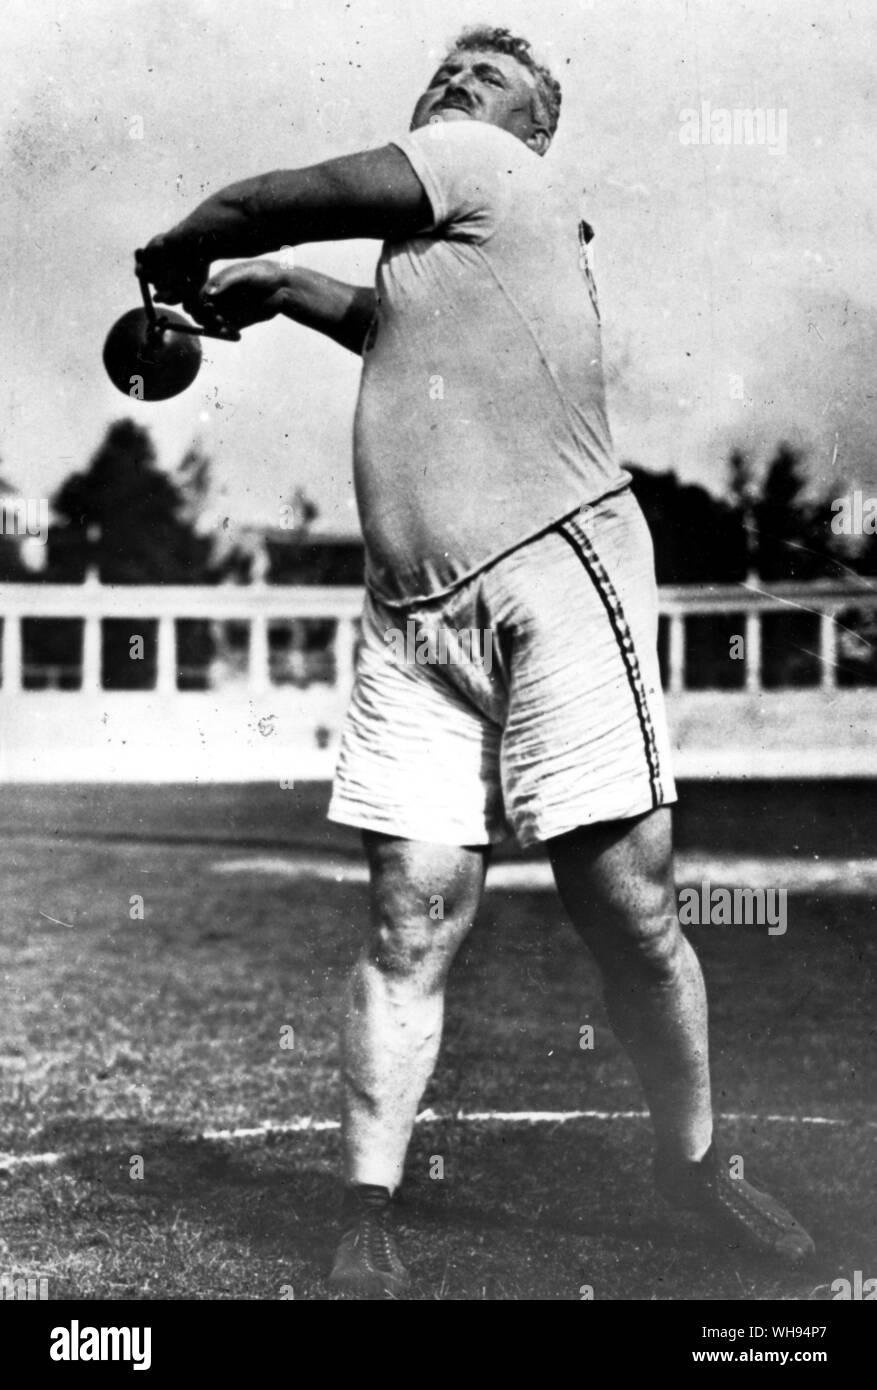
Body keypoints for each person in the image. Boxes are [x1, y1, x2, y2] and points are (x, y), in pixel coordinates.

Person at [142, 25, 814, 1298]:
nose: (457, 89)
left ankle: (700, 1165)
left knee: (630, 913)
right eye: (445, 76)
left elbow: (274, 198)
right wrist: (285, 291)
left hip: (556, 578)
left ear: (531, 130)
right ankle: (367, 1208)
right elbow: (407, 341)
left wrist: (202, 239)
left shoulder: (489, 170)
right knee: (408, 923)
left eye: (488, 81)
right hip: (413, 618)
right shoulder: (440, 256)